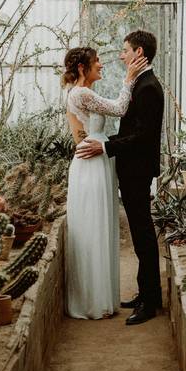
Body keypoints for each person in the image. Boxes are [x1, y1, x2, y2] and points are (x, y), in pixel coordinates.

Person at [76, 30, 165, 326]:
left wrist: (106, 145)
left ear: (139, 53)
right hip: (131, 168)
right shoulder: (141, 83)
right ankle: (145, 293)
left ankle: (151, 302)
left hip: (138, 170)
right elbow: (132, 130)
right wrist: (109, 141)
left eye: (125, 50)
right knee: (141, 234)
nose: (121, 55)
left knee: (143, 234)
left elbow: (142, 136)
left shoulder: (149, 87)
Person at [62, 46, 146, 320]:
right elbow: (120, 109)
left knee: (94, 226)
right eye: (96, 61)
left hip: (96, 160)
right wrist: (129, 79)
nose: (102, 64)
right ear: (83, 68)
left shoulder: (76, 93)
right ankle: (93, 301)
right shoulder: (82, 93)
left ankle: (95, 297)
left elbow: (81, 131)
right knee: (94, 227)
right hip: (93, 164)